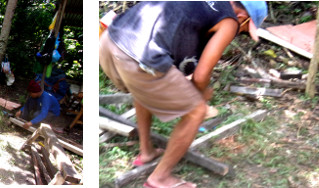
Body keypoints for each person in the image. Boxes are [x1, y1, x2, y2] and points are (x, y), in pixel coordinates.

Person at [99, 2, 268, 187]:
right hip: (138, 56)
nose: (239, 32)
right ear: (243, 18)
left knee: (143, 89)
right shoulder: (230, 21)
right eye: (244, 30)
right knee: (197, 112)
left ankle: (146, 151)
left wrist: (185, 87)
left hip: (110, 41)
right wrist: (200, 95)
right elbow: (202, 75)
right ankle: (159, 178)